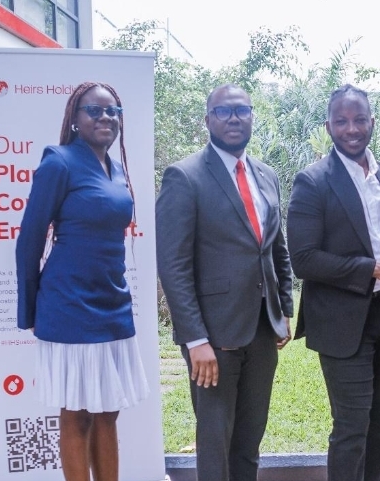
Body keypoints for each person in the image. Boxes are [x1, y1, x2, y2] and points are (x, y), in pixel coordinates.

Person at [286, 84, 380, 481]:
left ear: (372, 122)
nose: (352, 129)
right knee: (351, 427)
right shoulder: (312, 181)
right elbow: (303, 259)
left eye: (360, 119)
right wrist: (372, 269)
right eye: (342, 121)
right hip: (341, 320)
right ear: (328, 126)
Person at [156, 84, 294, 481]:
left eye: (241, 110)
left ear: (251, 116)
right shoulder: (185, 176)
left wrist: (284, 308)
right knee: (216, 441)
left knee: (249, 440)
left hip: (262, 330)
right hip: (213, 337)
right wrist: (195, 339)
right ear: (208, 120)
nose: (233, 118)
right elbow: (173, 265)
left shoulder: (266, 175)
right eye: (223, 111)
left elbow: (276, 248)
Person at [16, 81, 148, 481]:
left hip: (113, 302)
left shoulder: (117, 168)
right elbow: (30, 239)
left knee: (108, 412)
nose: (105, 117)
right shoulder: (58, 162)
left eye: (113, 111)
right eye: (94, 110)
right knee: (77, 413)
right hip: (69, 304)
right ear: (75, 118)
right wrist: (30, 310)